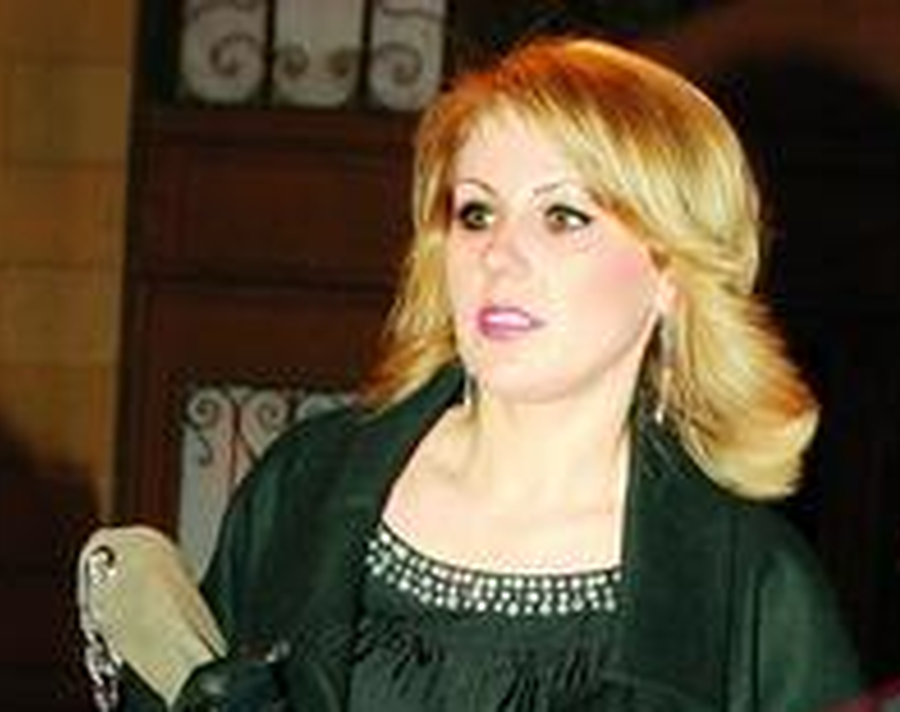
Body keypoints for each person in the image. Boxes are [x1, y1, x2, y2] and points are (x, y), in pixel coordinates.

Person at [118, 36, 861, 711]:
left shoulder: (752, 588)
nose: (498, 254)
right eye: (476, 213)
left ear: (671, 271)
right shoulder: (305, 486)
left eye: (562, 216)